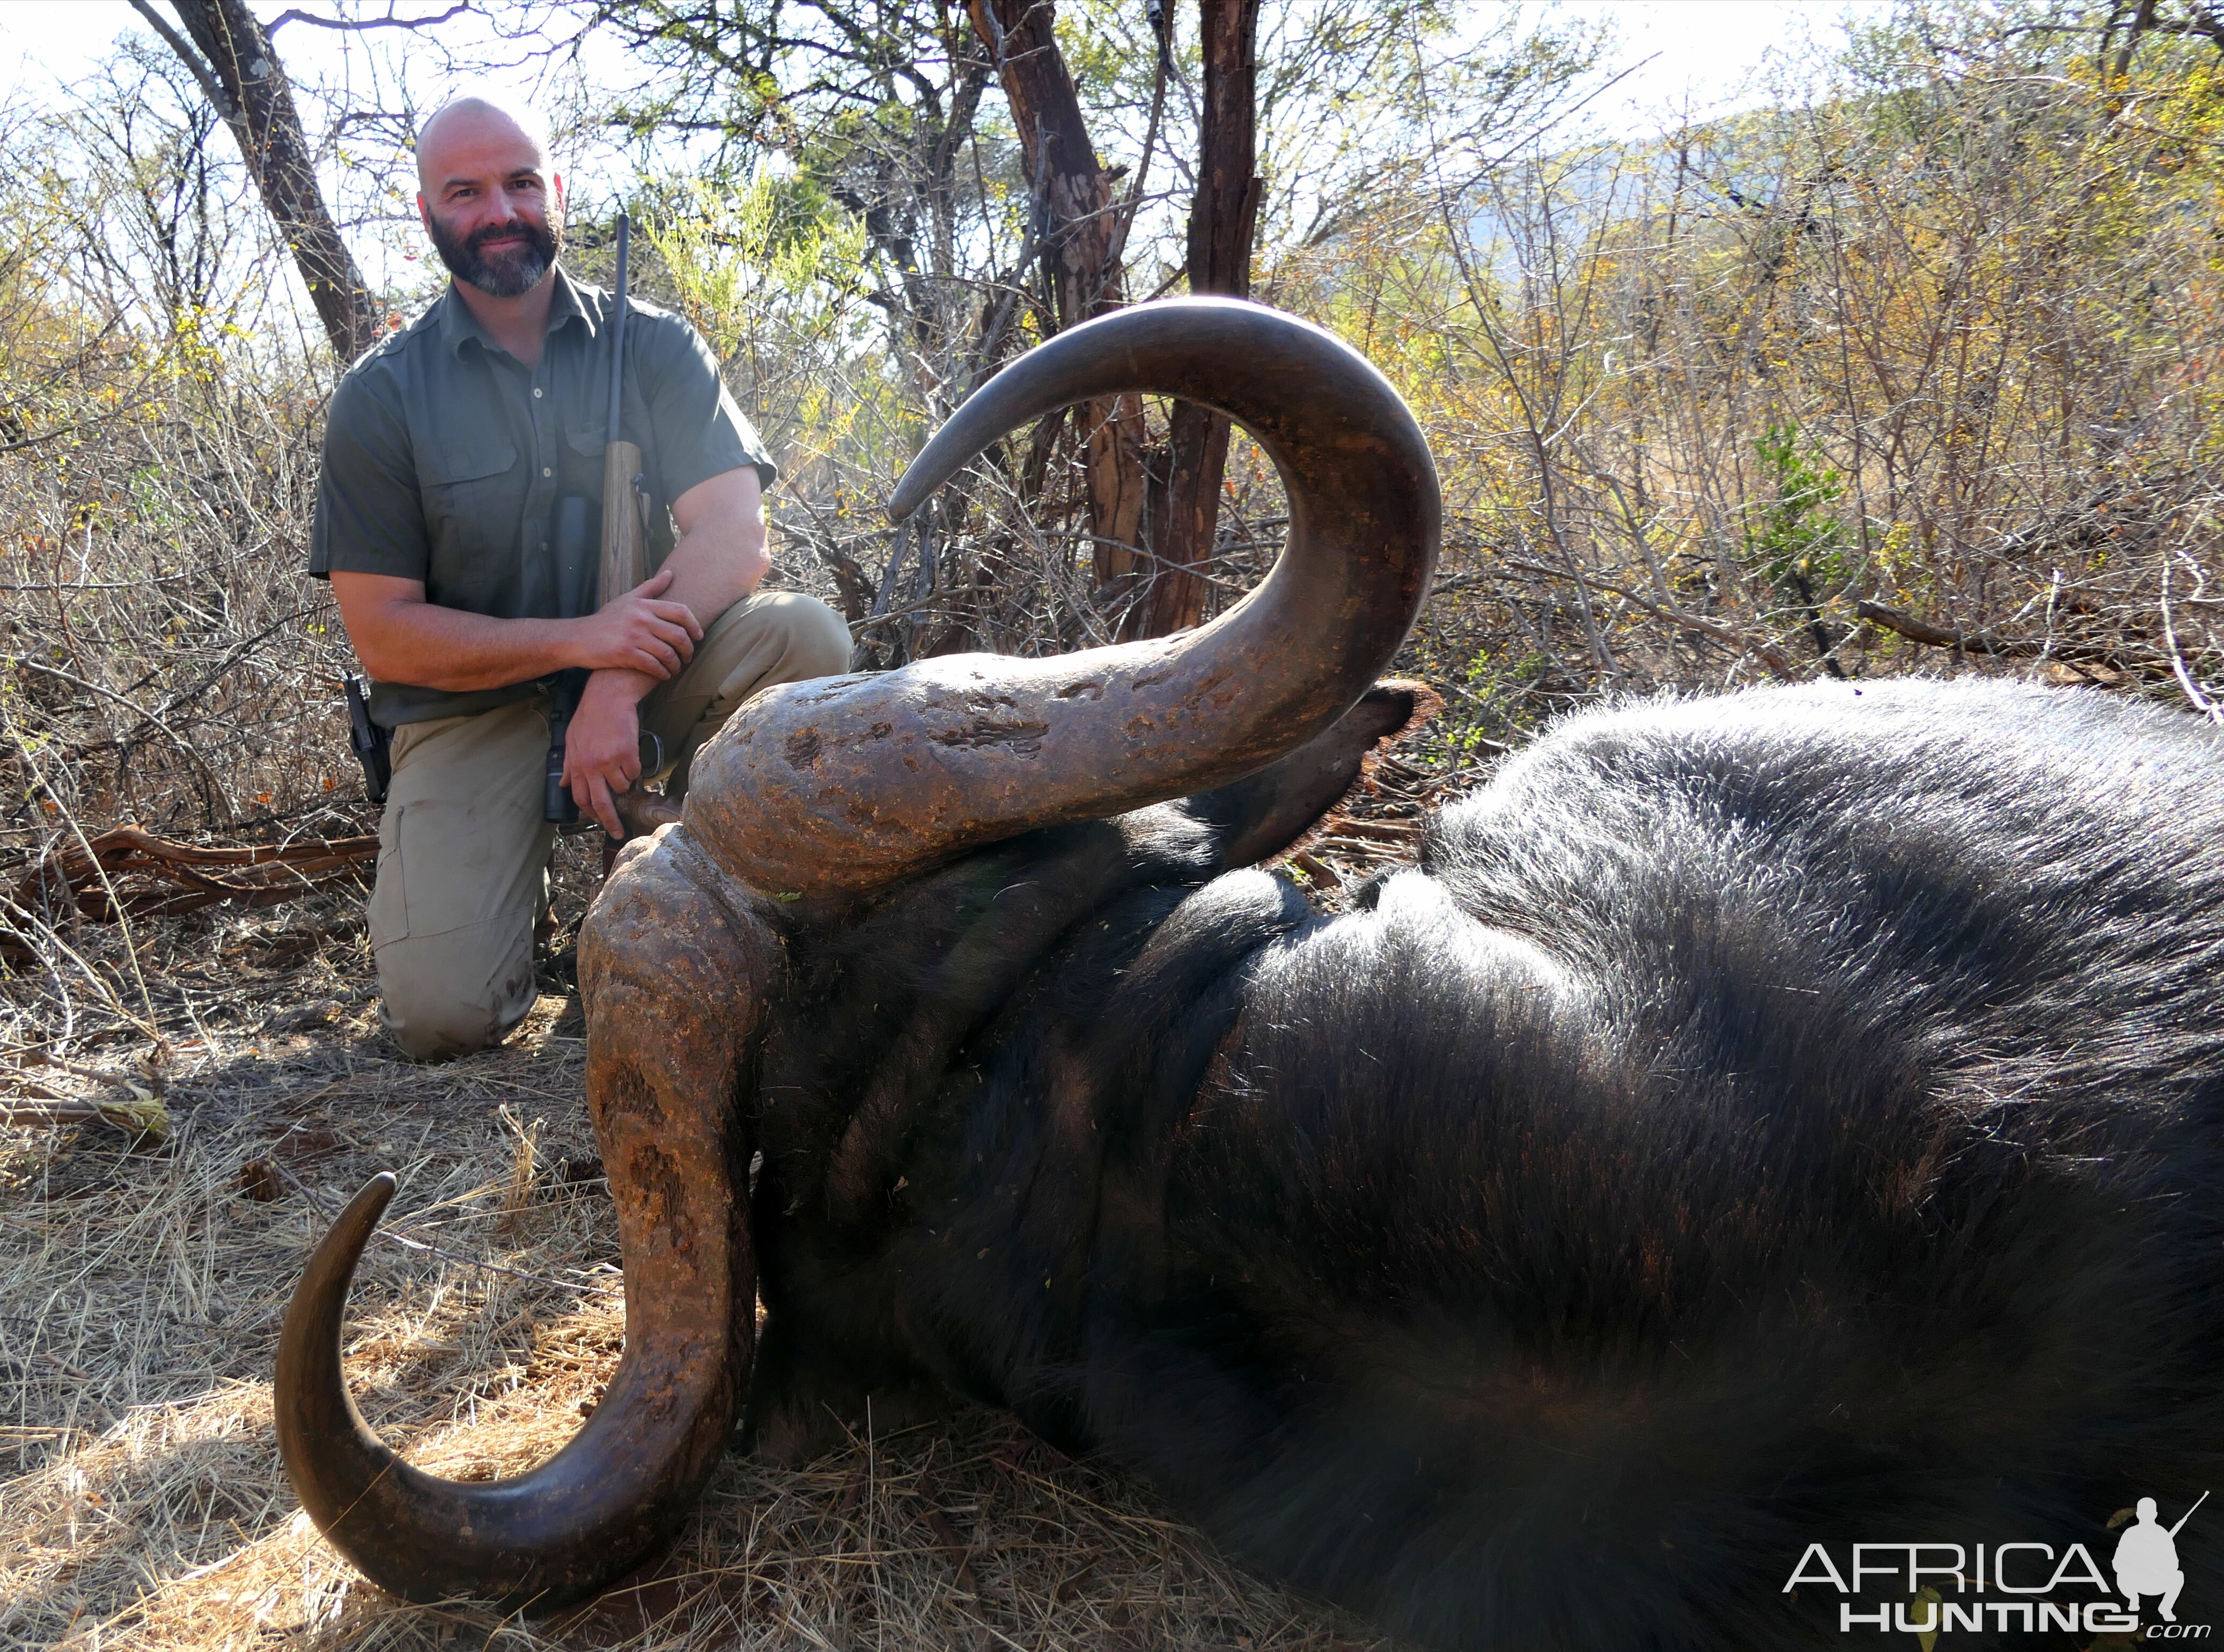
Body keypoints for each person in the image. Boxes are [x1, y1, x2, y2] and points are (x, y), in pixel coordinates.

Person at [310, 92, 852, 1059]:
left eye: (521, 182)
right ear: (428, 214)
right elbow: (385, 632)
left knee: (805, 635)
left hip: (646, 677)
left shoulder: (656, 343)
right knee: (447, 1018)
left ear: (555, 188)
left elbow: (734, 536)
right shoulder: (381, 395)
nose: (501, 211)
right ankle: (516, 905)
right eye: (466, 191)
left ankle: (717, 883)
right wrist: (575, 642)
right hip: (471, 709)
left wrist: (614, 678)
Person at [2114, 1497, 2188, 1622]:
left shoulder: (2162, 1534)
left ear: (2155, 1514)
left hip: (2157, 1581)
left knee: (2178, 1576)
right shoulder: (2131, 1533)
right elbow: (2117, 1562)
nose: (2146, 1516)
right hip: (2134, 1582)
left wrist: (2157, 1562)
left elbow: (2174, 1563)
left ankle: (2165, 1608)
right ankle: (2133, 1599)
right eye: (2144, 1513)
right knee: (2121, 1575)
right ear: (2138, 1514)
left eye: (2149, 1513)